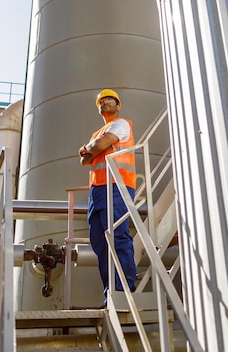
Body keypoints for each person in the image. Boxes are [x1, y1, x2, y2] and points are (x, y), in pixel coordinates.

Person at [79, 89, 136, 305]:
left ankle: (124, 290)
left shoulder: (121, 124)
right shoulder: (98, 132)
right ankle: (110, 291)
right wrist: (95, 147)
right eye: (101, 102)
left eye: (109, 100)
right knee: (100, 241)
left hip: (118, 185)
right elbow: (84, 161)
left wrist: (90, 148)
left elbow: (95, 149)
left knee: (118, 235)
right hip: (97, 189)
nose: (105, 103)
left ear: (118, 105)